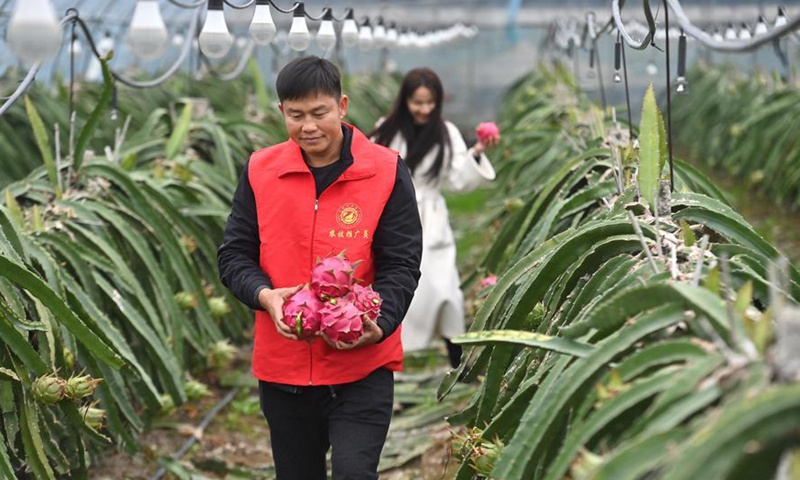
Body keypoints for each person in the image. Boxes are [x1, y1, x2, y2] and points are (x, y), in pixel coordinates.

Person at [217, 56, 422, 480]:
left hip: (362, 364)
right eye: (296, 115)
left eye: (319, 113)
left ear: (342, 106)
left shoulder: (385, 171)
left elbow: (402, 263)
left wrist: (379, 323)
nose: (308, 126)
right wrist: (265, 296)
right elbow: (234, 255)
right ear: (282, 113)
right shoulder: (260, 170)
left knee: (353, 473)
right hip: (283, 366)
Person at [370, 68, 498, 369]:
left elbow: (457, 179)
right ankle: (386, 356)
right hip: (393, 216)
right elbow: (371, 168)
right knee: (394, 284)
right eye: (418, 102)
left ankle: (457, 361)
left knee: (445, 290)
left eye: (430, 103)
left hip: (431, 219)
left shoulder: (446, 132)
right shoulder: (385, 130)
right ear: (405, 101)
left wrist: (477, 152)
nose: (425, 109)